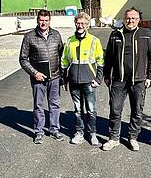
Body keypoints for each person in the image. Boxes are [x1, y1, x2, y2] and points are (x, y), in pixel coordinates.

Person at [102, 8, 151, 152]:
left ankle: (133, 137)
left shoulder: (146, 35)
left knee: (137, 111)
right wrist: (106, 75)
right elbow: (109, 57)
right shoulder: (115, 35)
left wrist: (150, 76)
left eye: (133, 18)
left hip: (138, 80)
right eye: (128, 18)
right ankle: (114, 138)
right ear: (123, 19)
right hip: (118, 80)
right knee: (115, 109)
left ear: (138, 20)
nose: (130, 21)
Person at [19, 9, 65, 144]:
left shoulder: (56, 35)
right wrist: (35, 73)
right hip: (38, 78)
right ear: (37, 20)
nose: (44, 23)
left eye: (46, 20)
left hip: (54, 77)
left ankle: (54, 129)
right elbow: (23, 59)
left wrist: (63, 76)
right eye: (41, 20)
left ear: (50, 21)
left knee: (55, 104)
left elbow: (62, 56)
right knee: (38, 105)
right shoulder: (29, 36)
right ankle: (39, 131)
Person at [60, 12, 104, 146]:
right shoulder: (69, 41)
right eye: (78, 23)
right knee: (78, 110)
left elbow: (100, 61)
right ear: (75, 23)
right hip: (74, 81)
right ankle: (79, 133)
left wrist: (98, 79)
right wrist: (64, 79)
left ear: (87, 25)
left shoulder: (94, 41)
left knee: (91, 110)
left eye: (83, 23)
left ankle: (92, 133)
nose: (80, 25)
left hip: (89, 81)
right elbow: (64, 61)